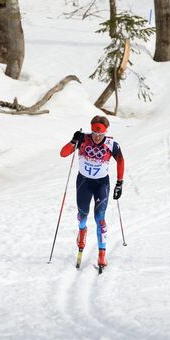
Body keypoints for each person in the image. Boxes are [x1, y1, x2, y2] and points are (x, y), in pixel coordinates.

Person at [60, 115, 125, 268]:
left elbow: (121, 161)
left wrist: (119, 183)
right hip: (84, 182)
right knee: (82, 215)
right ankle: (82, 230)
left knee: (99, 217)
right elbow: (63, 154)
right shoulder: (83, 139)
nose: (97, 137)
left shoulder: (111, 144)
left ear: (105, 132)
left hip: (102, 184)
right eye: (94, 133)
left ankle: (102, 253)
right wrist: (73, 141)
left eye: (100, 134)